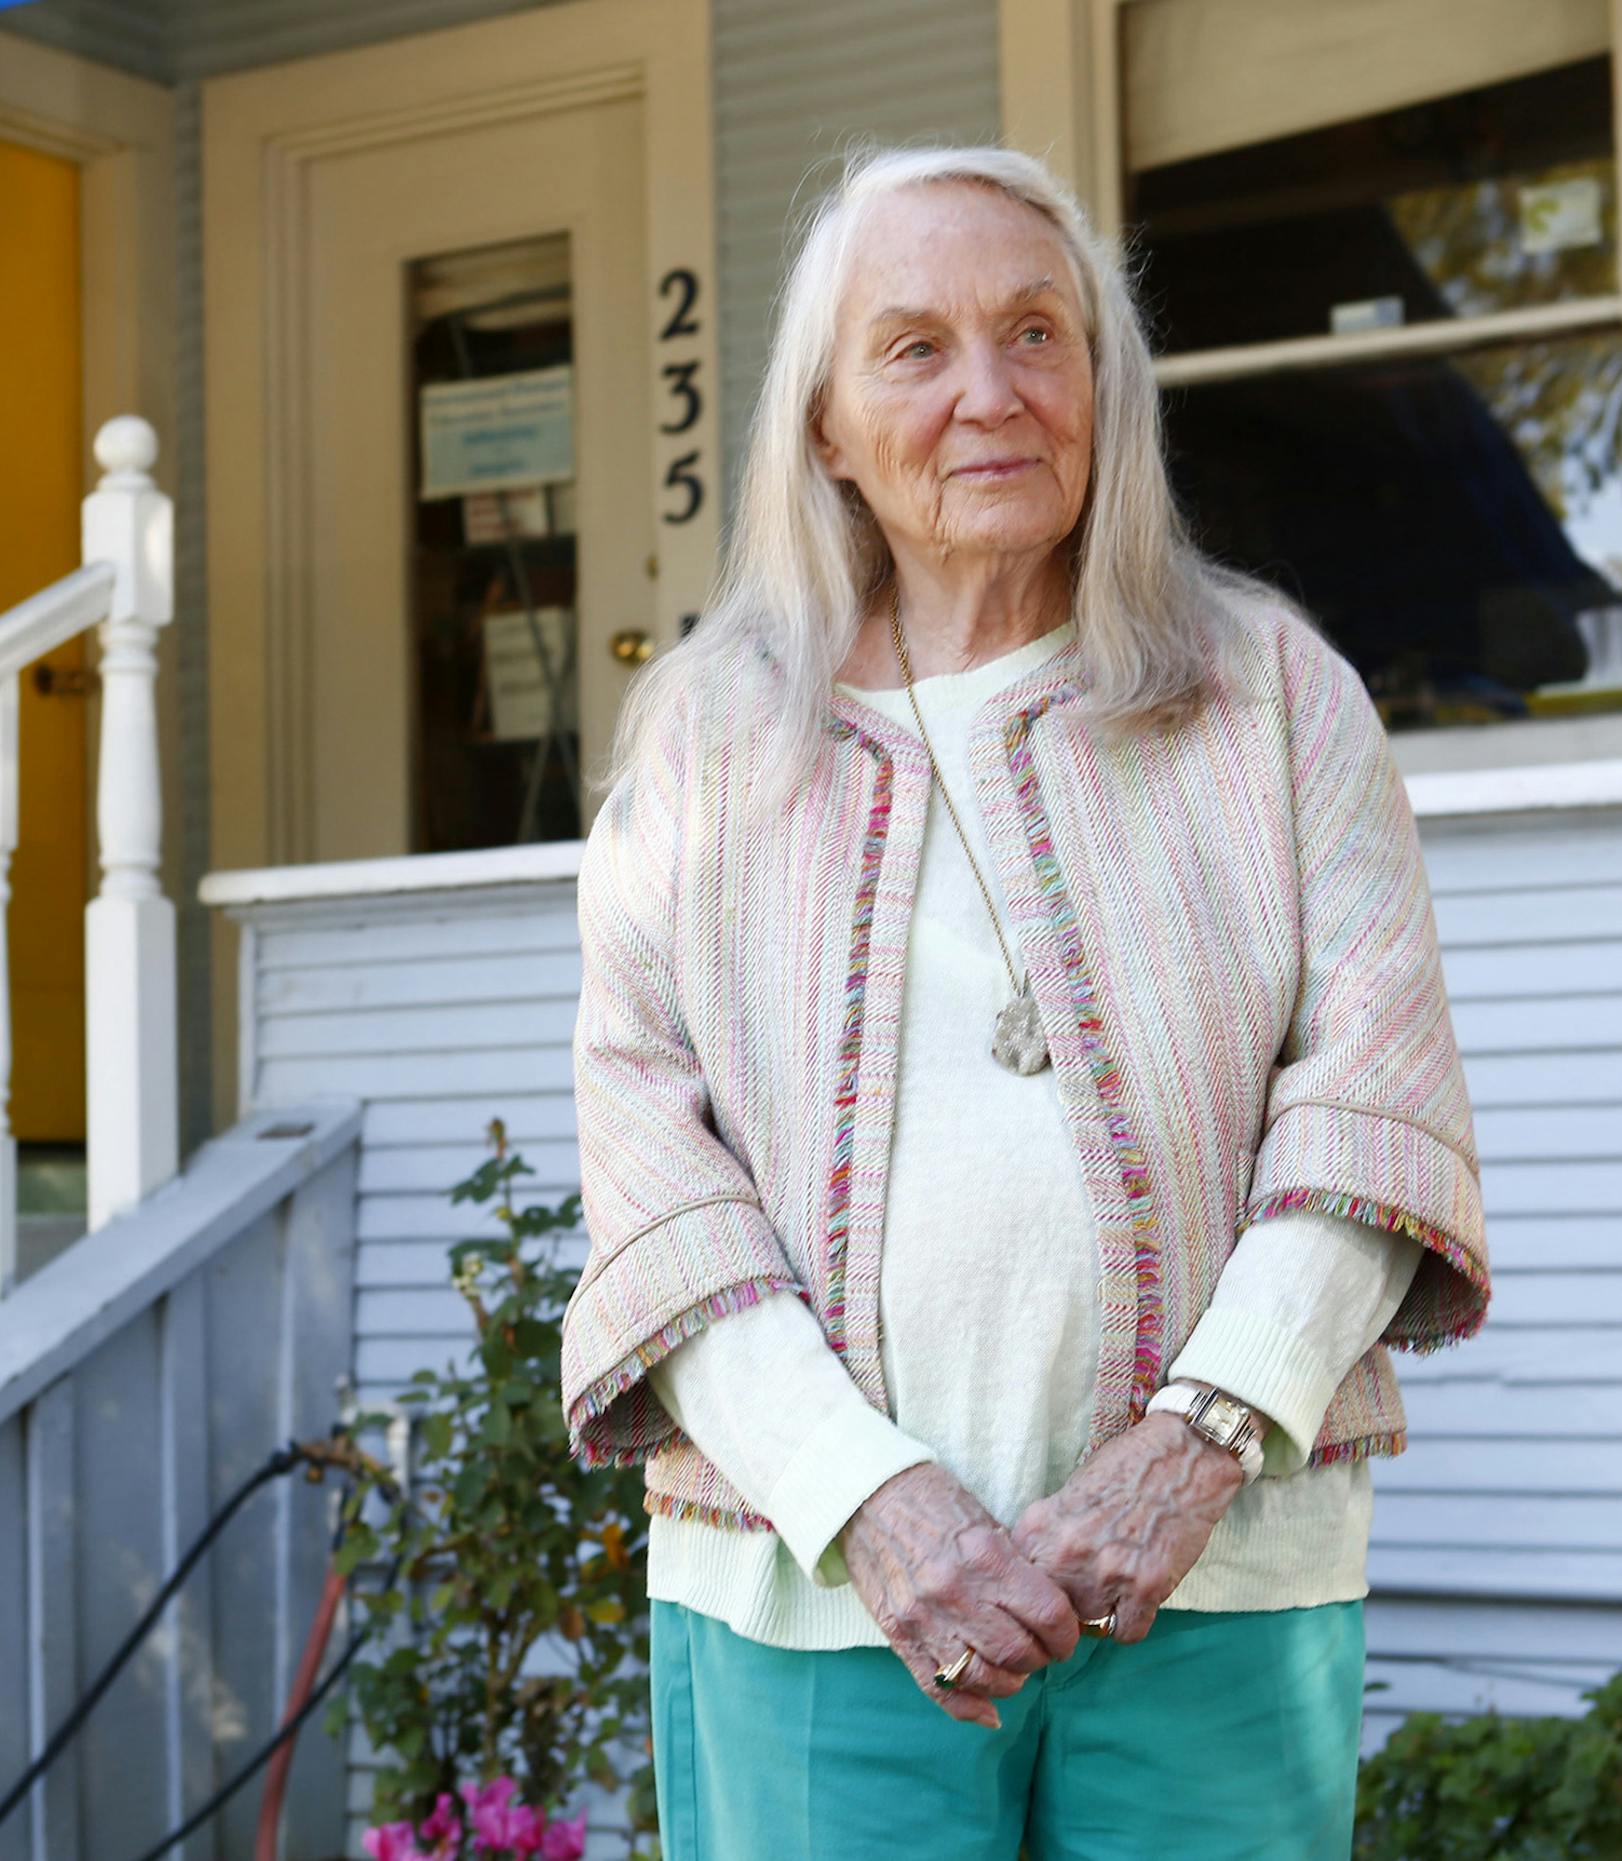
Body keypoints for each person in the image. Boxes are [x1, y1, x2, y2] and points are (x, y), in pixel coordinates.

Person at [558, 141, 1490, 1859]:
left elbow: (1376, 1103)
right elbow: (651, 1172)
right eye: (915, 347)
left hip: (1216, 1578)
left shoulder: (1273, 696)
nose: (989, 393)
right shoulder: (708, 738)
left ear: (1102, 385)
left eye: (1036, 333)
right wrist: (873, 1503)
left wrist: (1190, 1447)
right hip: (812, 1590)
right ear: (828, 426)